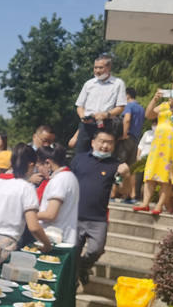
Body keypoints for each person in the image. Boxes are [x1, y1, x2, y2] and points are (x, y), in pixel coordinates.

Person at [0, 143, 53, 266]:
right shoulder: (26, 188)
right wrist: (47, 244)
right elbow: (33, 226)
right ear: (31, 165)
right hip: (6, 246)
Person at [134, 79, 173, 215]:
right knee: (150, 173)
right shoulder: (164, 104)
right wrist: (154, 100)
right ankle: (145, 203)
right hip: (158, 143)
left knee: (166, 176)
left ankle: (159, 206)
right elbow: (149, 114)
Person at [70, 128, 120, 286]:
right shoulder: (79, 159)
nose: (105, 146)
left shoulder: (115, 165)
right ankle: (73, 280)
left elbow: (124, 191)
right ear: (93, 142)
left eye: (109, 143)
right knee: (74, 252)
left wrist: (126, 175)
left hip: (98, 218)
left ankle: (84, 268)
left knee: (96, 249)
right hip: (76, 215)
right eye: (102, 141)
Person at [74, 54, 127, 154]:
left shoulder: (118, 83)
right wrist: (82, 117)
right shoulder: (89, 84)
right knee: (81, 152)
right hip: (87, 123)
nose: (97, 71)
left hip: (105, 124)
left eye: (101, 68)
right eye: (95, 67)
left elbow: (121, 107)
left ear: (109, 67)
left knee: (102, 153)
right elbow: (80, 105)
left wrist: (106, 114)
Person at [37, 144, 79, 244]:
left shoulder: (59, 180)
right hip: (62, 237)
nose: (38, 170)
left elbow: (50, 214)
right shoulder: (69, 176)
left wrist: (27, 214)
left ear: (47, 163)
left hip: (55, 239)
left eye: (38, 166)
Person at [112, 87, 145, 203]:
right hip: (135, 139)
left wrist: (124, 134)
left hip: (127, 138)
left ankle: (113, 192)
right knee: (131, 169)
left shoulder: (128, 106)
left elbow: (127, 119)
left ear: (127, 95)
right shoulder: (141, 108)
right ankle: (131, 194)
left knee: (119, 166)